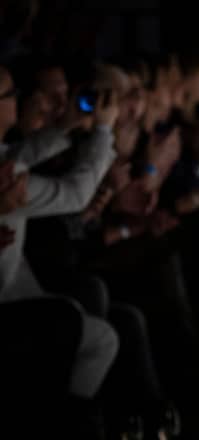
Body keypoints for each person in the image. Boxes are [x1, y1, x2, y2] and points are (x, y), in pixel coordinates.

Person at [0, 64, 120, 435]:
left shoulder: (8, 161)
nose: (15, 99)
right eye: (9, 95)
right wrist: (103, 131)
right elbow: (74, 194)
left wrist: (68, 124)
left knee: (87, 310)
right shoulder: (8, 181)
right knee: (94, 333)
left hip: (17, 289)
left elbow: (18, 154)